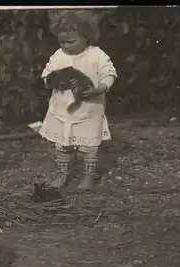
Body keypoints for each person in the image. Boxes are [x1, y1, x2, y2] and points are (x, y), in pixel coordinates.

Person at [39, 10, 118, 191]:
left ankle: (88, 175)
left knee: (88, 147)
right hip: (62, 110)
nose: (66, 45)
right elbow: (46, 74)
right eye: (62, 41)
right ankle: (62, 173)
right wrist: (54, 83)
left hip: (89, 110)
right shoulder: (58, 56)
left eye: (71, 41)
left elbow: (109, 73)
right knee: (62, 146)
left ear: (86, 37)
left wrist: (100, 88)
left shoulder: (96, 55)